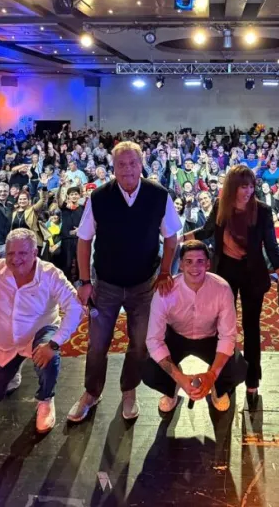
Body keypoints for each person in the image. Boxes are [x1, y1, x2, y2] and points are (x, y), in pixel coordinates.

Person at [69, 141, 183, 423]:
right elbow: (83, 240)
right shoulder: (99, 197)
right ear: (113, 167)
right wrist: (84, 281)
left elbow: (172, 238)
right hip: (105, 284)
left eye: (133, 163)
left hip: (144, 285)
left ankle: (129, 389)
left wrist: (165, 272)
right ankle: (91, 392)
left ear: (141, 164)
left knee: (140, 344)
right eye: (121, 164)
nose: (127, 169)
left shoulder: (159, 194)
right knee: (97, 345)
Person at [185, 164, 279, 406]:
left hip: (253, 273)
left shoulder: (262, 210)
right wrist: (180, 239)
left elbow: (272, 247)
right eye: (243, 186)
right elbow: (207, 230)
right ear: (232, 187)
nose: (248, 191)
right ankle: (226, 378)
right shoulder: (221, 206)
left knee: (251, 328)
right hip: (225, 272)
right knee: (224, 329)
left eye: (251, 186)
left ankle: (252, 380)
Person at [0, 228, 83, 433]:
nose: (16, 259)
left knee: (49, 355)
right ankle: (13, 370)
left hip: (41, 336)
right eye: (10, 253)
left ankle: (46, 398)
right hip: (5, 343)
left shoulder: (50, 274)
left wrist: (55, 342)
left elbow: (76, 307)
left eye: (22, 253)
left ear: (35, 253)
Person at [142, 240, 248, 414]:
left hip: (210, 337)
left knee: (238, 368)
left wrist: (212, 375)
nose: (194, 267)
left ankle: (216, 387)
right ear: (181, 265)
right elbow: (154, 340)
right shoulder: (165, 291)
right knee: (149, 370)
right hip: (176, 336)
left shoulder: (222, 289)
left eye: (200, 261)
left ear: (208, 264)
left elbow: (227, 337)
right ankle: (171, 386)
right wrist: (180, 378)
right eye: (189, 261)